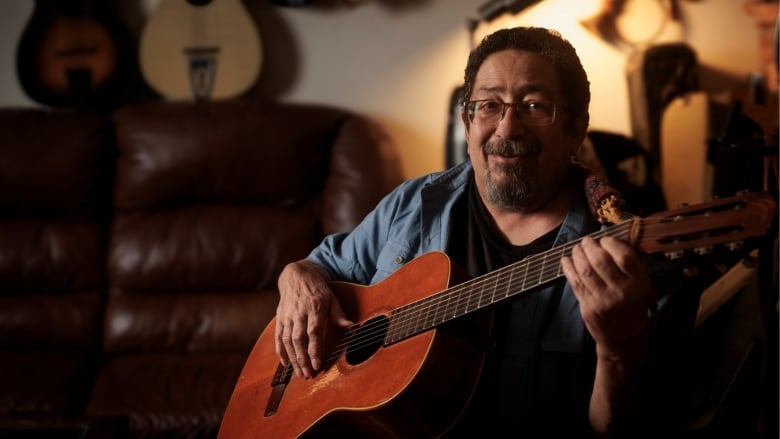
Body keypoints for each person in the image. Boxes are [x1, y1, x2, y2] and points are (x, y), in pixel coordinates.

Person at [274, 26, 698, 438]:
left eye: (534, 106)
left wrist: (620, 350)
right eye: (489, 105)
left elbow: (632, 428)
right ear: (467, 119)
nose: (507, 129)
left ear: (576, 128)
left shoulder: (628, 263)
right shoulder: (415, 203)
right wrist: (296, 276)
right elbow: (322, 266)